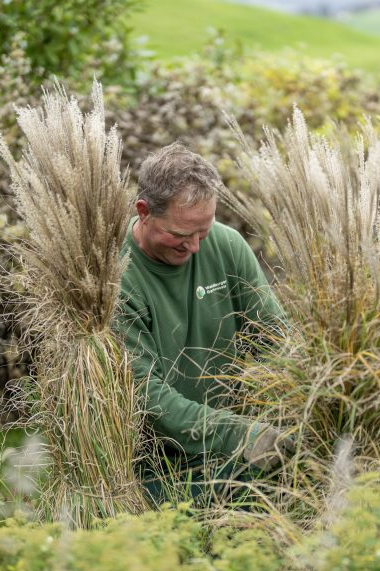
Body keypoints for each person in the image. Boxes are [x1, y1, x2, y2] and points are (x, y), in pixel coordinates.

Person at [116, 142, 291, 504]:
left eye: (203, 232)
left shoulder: (227, 245)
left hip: (235, 446)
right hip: (154, 462)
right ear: (144, 211)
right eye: (180, 235)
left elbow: (276, 339)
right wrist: (241, 435)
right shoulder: (116, 278)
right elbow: (148, 399)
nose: (194, 248)